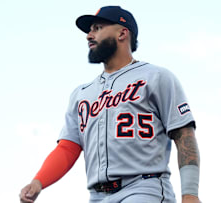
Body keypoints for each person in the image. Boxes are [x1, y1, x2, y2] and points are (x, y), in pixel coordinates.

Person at [19, 6, 201, 203]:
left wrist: (190, 194)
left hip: (144, 188)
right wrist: (39, 181)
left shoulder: (156, 77)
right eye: (89, 30)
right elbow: (68, 147)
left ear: (122, 33)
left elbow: (183, 134)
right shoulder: (82, 94)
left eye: (97, 28)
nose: (89, 35)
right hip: (97, 196)